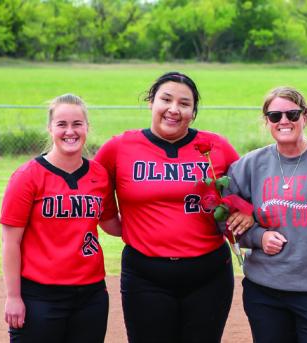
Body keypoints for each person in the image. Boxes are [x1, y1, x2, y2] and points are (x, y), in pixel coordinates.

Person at [94, 71, 252, 343]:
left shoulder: (216, 146)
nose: (174, 109)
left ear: (193, 112)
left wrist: (246, 213)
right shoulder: (120, 147)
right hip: (146, 274)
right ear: (151, 103)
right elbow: (93, 188)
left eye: (184, 103)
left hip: (209, 273)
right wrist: (118, 224)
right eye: (165, 99)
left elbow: (248, 191)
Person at [225, 86, 307, 343]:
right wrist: (257, 236)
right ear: (266, 121)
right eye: (275, 116)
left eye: (292, 114)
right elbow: (225, 216)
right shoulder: (250, 165)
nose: (284, 121)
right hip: (264, 292)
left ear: (305, 117)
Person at [0, 94, 122, 342]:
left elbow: (111, 222)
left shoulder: (99, 174)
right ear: (50, 128)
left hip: (91, 295)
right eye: (62, 124)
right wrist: (13, 297)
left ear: (87, 127)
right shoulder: (28, 176)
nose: (70, 131)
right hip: (40, 296)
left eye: (77, 124)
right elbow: (10, 242)